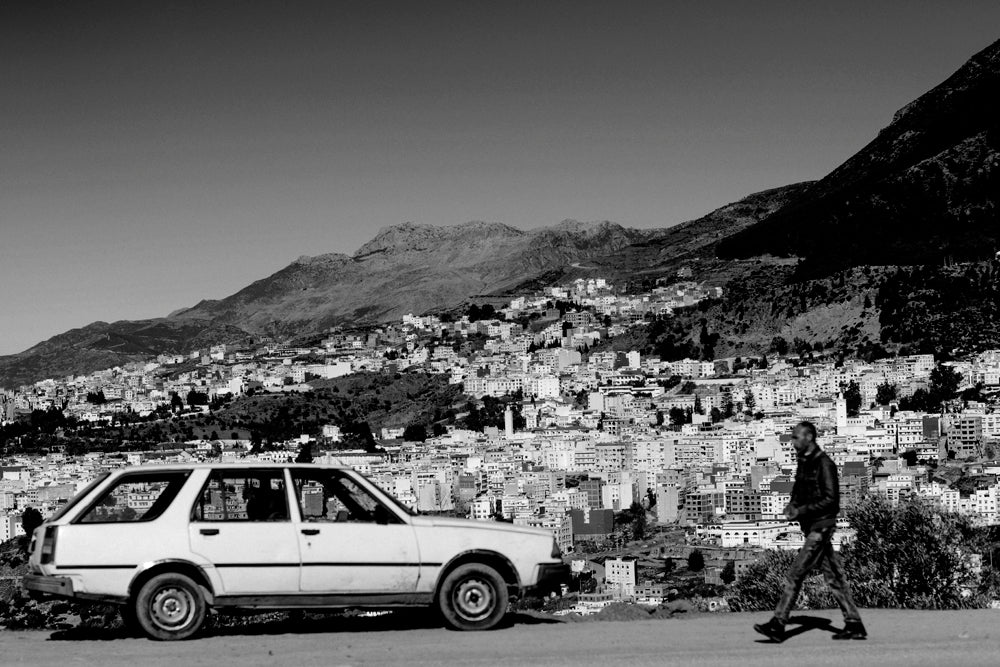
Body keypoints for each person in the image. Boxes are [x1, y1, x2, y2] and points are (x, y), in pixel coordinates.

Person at [754, 421, 867, 642]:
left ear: (808, 437)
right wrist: (792, 505)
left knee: (795, 574)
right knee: (833, 577)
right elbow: (798, 488)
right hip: (811, 527)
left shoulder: (824, 464)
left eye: (796, 437)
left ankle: (778, 625)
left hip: (821, 527)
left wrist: (802, 509)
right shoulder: (805, 462)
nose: (792, 442)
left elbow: (831, 501)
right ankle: (854, 624)